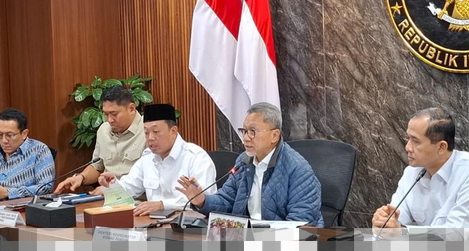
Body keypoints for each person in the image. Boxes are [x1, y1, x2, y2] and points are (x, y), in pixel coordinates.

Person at [176, 102, 324, 227]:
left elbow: (300, 223)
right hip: (247, 237)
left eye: (252, 131)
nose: (246, 138)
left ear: (274, 135)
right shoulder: (244, 161)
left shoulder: (298, 170)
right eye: (244, 131)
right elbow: (226, 200)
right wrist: (201, 200)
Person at [371, 108, 469, 235]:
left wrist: (402, 232)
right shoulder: (412, 172)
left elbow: (455, 234)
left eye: (415, 141)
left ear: (441, 147)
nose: (407, 147)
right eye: (408, 138)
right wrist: (384, 223)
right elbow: (397, 218)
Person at [98, 104, 216, 216]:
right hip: (151, 223)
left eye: (156, 132)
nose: (150, 138)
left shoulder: (196, 157)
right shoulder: (147, 158)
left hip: (187, 224)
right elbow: (129, 188)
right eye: (146, 133)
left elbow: (205, 200)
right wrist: (113, 184)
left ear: (173, 132)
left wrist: (162, 205)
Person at [54, 86, 145, 193]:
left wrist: (113, 190)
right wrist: (80, 177)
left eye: (114, 114)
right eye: (106, 114)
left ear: (131, 109)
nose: (110, 120)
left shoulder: (148, 130)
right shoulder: (103, 130)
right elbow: (97, 167)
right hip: (107, 197)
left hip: (137, 199)